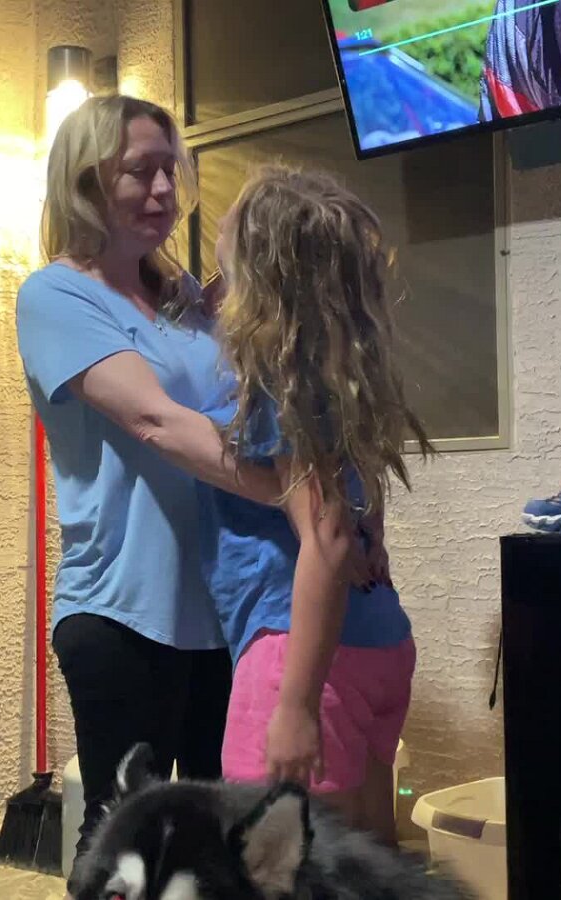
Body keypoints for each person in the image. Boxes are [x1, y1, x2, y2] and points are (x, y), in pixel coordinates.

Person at [15, 97, 378, 855]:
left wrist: (345, 512)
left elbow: (277, 401)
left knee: (221, 844)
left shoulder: (190, 299)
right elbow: (157, 422)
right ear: (85, 182)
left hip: (224, 613)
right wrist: (309, 504)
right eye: (138, 172)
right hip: (123, 611)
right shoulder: (55, 295)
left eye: (169, 171)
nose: (163, 191)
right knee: (123, 840)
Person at [202, 166, 431, 846]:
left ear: (258, 260)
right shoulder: (339, 376)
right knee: (368, 864)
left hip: (300, 658)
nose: (216, 227)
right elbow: (358, 512)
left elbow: (326, 538)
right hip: (381, 642)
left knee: (278, 868)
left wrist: (295, 707)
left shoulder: (274, 378)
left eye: (229, 220)